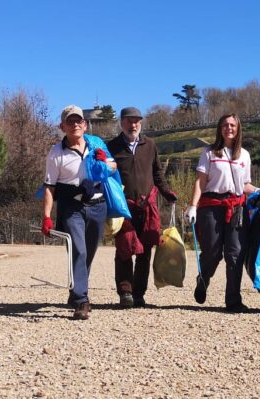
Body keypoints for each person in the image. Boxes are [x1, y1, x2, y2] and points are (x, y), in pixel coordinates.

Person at [42, 105, 116, 319]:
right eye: (70, 121)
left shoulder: (96, 144)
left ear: (85, 124)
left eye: (79, 121)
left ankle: (76, 289)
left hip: (97, 206)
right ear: (62, 126)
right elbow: (49, 187)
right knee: (79, 250)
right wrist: (46, 216)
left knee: (89, 253)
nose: (75, 124)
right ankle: (82, 300)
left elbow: (114, 167)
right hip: (72, 208)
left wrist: (104, 161)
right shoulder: (56, 153)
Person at [184, 113, 260, 312]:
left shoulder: (244, 155)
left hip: (236, 207)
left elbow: (245, 185)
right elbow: (201, 181)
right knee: (212, 252)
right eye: (225, 125)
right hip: (211, 205)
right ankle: (203, 278)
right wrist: (193, 205)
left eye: (232, 125)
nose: (229, 128)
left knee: (235, 254)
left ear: (238, 128)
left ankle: (233, 301)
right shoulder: (209, 153)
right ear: (220, 129)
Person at [106, 106, 177, 308]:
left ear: (140, 123)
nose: (133, 125)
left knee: (145, 252)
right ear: (121, 122)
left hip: (147, 207)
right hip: (123, 208)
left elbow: (158, 174)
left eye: (136, 121)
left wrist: (167, 192)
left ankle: (139, 294)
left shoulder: (150, 145)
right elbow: (106, 176)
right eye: (129, 121)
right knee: (124, 249)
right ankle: (125, 292)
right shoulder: (112, 147)